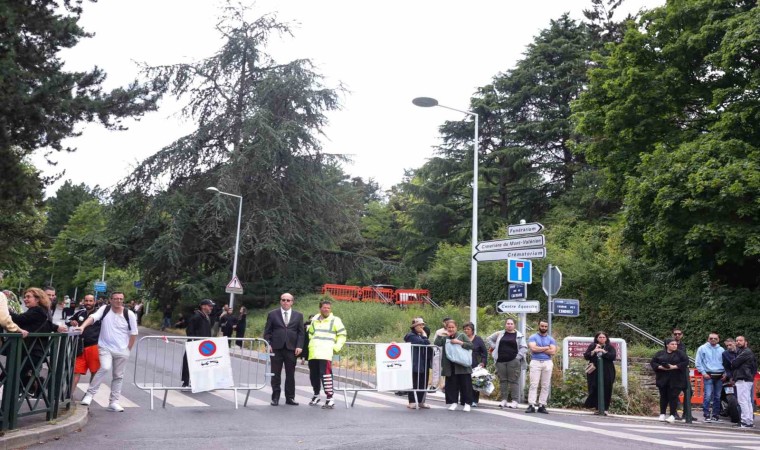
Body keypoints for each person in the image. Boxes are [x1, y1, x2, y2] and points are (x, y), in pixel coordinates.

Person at [76, 291, 138, 412]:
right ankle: (89, 395)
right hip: (105, 347)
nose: (118, 301)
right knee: (104, 367)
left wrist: (127, 350)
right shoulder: (105, 309)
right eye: (116, 298)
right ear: (111, 300)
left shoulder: (129, 314)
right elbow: (92, 317)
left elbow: (134, 333)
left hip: (122, 349)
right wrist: (82, 326)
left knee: (118, 376)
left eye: (121, 299)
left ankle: (114, 402)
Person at [263, 293, 304, 406]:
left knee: (290, 374)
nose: (286, 302)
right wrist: (268, 344)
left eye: (288, 300)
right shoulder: (272, 314)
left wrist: (299, 346)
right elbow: (267, 331)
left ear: (292, 302)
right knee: (275, 374)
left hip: (291, 349)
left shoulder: (298, 315)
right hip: (276, 348)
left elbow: (301, 333)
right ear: (280, 301)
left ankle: (290, 398)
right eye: (283, 300)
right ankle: (275, 397)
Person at [307, 300, 346, 409]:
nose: (326, 310)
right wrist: (312, 345)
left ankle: (330, 398)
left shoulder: (335, 320)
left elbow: (342, 335)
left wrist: (336, 347)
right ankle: (316, 395)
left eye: (328, 308)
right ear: (320, 308)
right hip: (313, 352)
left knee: (326, 376)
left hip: (325, 352)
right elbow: (311, 334)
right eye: (324, 308)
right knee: (313, 376)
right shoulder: (314, 320)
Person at [487, 318, 528, 409]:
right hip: (500, 361)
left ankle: (514, 401)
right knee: (503, 380)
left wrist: (517, 357)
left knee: (513, 381)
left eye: (511, 323)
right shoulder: (500, 333)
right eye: (508, 323)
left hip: (513, 361)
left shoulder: (519, 335)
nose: (509, 325)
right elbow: (489, 339)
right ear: (505, 325)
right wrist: (495, 347)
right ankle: (504, 400)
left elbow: (524, 347)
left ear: (514, 325)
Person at [434, 319, 473, 412]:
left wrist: (459, 342)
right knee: (451, 385)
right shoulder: (445, 338)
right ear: (446, 328)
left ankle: (467, 403)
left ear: (456, 328)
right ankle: (453, 402)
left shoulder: (462, 335)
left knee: (465, 385)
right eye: (449, 327)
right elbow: (437, 343)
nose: (451, 329)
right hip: (450, 366)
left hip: (462, 366)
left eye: (452, 327)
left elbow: (471, 345)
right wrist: (440, 335)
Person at [651, 338, 689, 423]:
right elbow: (653, 362)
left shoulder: (680, 354)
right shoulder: (660, 353)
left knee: (673, 397)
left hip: (676, 379)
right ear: (667, 345)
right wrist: (660, 367)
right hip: (663, 378)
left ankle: (672, 415)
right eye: (672, 344)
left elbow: (686, 362)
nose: (674, 346)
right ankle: (662, 413)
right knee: (663, 396)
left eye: (675, 344)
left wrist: (674, 366)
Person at [69, 294, 101, 394]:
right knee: (76, 371)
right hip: (80, 346)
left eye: (90, 301)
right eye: (86, 301)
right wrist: (72, 322)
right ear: (84, 301)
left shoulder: (99, 314)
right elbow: (69, 321)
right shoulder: (80, 313)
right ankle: (69, 396)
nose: (88, 303)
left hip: (94, 346)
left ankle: (90, 394)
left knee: (94, 372)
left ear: (94, 302)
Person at [526, 319, 556, 414]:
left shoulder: (551, 339)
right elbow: (533, 349)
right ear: (539, 326)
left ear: (547, 327)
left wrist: (540, 349)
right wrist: (547, 347)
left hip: (547, 362)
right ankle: (531, 405)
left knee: (545, 385)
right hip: (535, 362)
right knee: (534, 384)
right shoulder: (533, 337)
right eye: (542, 326)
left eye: (545, 326)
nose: (544, 328)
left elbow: (553, 351)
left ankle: (542, 405)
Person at [181, 299, 213, 388]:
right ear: (203, 306)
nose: (211, 307)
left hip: (204, 345)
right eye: (209, 305)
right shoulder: (196, 317)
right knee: (189, 362)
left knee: (202, 363)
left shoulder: (206, 317)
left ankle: (199, 381)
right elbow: (189, 330)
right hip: (195, 344)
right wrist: (194, 341)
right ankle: (186, 382)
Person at [583, 331, 617, 414]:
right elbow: (586, 356)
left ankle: (605, 409)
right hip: (594, 370)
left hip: (607, 371)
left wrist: (603, 351)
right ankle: (597, 408)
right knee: (594, 387)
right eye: (600, 337)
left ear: (606, 338)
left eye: (603, 337)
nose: (602, 339)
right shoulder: (592, 346)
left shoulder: (609, 347)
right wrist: (594, 350)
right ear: (597, 338)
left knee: (607, 388)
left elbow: (613, 357)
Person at [695, 332, 725, 422]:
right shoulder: (702, 348)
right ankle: (706, 414)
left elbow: (726, 363)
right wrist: (703, 373)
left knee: (718, 396)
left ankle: (716, 415)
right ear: (708, 339)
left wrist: (725, 373)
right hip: (708, 374)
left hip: (720, 375)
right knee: (707, 395)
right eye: (711, 338)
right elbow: (698, 362)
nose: (713, 340)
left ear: (718, 340)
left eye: (715, 338)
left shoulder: (722, 350)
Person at [404, 318, 432, 409]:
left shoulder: (421, 335)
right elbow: (423, 343)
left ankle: (421, 401)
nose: (422, 327)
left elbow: (427, 344)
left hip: (424, 362)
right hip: (415, 362)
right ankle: (412, 401)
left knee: (423, 382)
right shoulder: (410, 335)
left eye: (422, 325)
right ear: (414, 326)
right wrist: (424, 336)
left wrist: (424, 337)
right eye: (419, 325)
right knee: (414, 382)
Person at [731, 336, 757, 428]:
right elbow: (754, 367)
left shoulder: (746, 352)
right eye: (737, 340)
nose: (738, 342)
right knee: (747, 401)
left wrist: (734, 361)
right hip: (747, 378)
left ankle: (745, 421)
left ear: (746, 342)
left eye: (740, 340)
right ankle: (748, 421)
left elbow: (734, 363)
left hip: (743, 378)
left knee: (743, 401)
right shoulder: (744, 352)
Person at [462, 321, 486, 407]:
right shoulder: (461, 339)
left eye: (468, 329)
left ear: (472, 330)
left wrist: (483, 362)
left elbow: (484, 352)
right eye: (464, 329)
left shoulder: (478, 339)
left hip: (475, 364)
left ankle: (474, 400)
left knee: (475, 383)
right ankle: (464, 399)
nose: (466, 331)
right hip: (463, 363)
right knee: (464, 382)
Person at [430, 317, 451, 392]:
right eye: (445, 322)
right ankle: (434, 385)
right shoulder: (439, 331)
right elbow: (435, 342)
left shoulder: (452, 331)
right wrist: (436, 351)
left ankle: (446, 386)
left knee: (447, 369)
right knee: (436, 368)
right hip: (439, 351)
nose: (446, 324)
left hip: (449, 352)